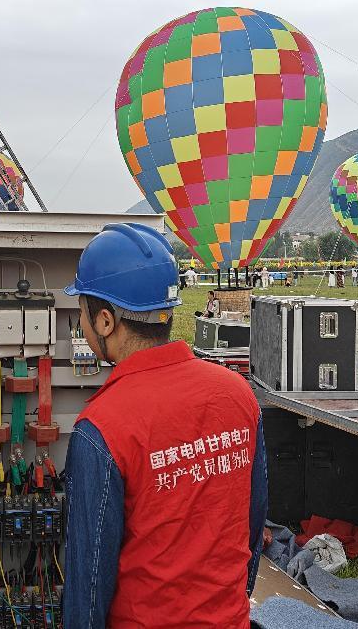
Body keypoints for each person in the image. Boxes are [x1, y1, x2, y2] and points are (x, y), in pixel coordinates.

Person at [62, 223, 268, 628]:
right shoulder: (238, 394)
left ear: (105, 321)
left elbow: (89, 582)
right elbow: (253, 523)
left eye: (80, 312)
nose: (80, 324)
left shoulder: (101, 427)